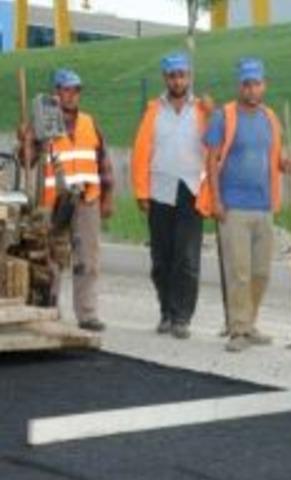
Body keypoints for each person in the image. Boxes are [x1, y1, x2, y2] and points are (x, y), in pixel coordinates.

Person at [198, 58, 291, 352]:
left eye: (257, 84)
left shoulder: (271, 118)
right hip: (234, 206)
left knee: (261, 272)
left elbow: (276, 156)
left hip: (264, 206)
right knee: (239, 271)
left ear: (264, 85)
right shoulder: (223, 117)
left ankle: (249, 323)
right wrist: (216, 200)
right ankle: (238, 329)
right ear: (240, 86)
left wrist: (286, 163)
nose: (252, 90)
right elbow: (212, 161)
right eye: (247, 84)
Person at [18, 68, 115, 332]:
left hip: (87, 200)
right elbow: (27, 162)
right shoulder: (43, 124)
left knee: (88, 259)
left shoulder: (89, 122)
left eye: (75, 91)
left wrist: (107, 197)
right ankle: (49, 310)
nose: (71, 96)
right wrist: (25, 140)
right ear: (56, 93)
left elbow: (103, 161)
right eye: (66, 90)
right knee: (52, 259)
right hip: (55, 203)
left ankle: (87, 313)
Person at [131, 52, 209, 339]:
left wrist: (213, 114)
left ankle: (182, 317)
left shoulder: (202, 109)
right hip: (159, 191)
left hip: (192, 191)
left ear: (188, 77)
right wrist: (141, 191)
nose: (178, 80)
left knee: (186, 259)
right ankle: (165, 311)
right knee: (162, 258)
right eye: (172, 75)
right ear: (166, 78)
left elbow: (215, 148)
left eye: (182, 75)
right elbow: (141, 153)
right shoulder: (154, 110)